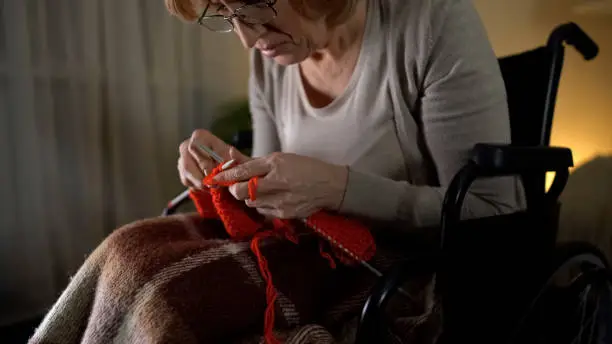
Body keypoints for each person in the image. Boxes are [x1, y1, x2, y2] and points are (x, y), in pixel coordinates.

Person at [29, 0, 525, 343]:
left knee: (165, 293)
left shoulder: (431, 24)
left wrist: (337, 187)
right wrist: (230, 174)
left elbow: (493, 212)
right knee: (126, 251)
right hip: (302, 252)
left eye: (253, 7)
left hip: (396, 271)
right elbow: (264, 208)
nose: (247, 39)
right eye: (226, 15)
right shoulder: (272, 60)